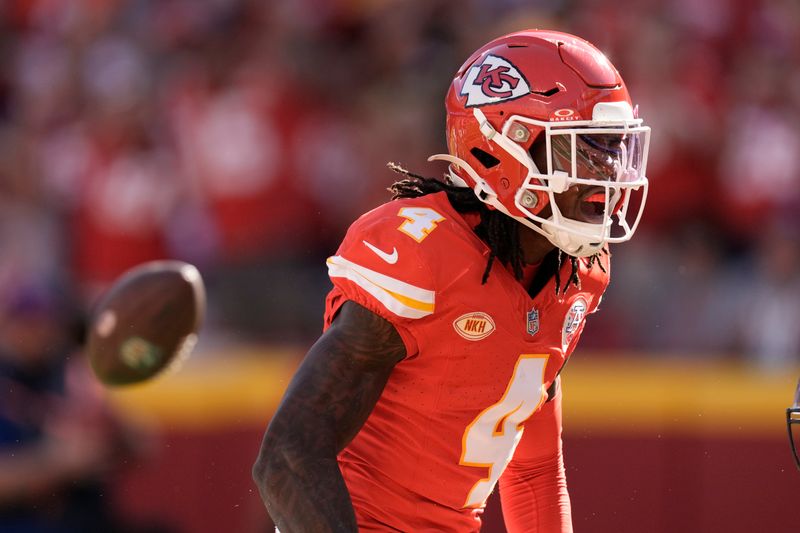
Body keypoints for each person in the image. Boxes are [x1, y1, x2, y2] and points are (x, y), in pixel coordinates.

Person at [252, 29, 651, 532]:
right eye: (586, 149)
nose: (611, 172)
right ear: (504, 150)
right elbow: (288, 456)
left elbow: (533, 470)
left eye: (615, 148)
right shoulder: (426, 253)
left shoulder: (578, 272)